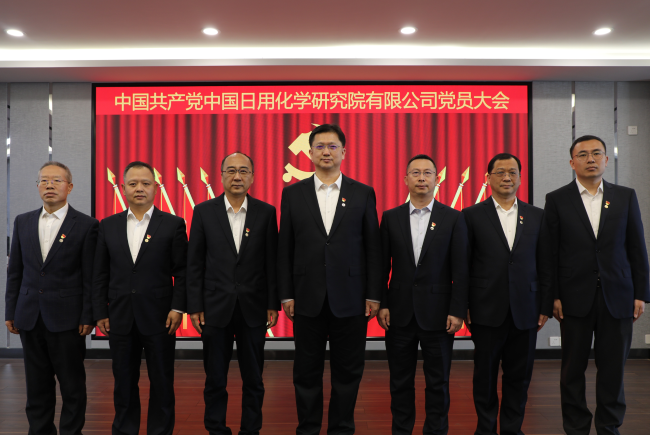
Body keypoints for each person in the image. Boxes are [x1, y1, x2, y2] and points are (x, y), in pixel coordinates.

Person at [277, 124, 382, 435]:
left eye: (332, 146)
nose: (326, 151)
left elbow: (373, 247)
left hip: (351, 297)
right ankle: (308, 428)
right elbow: (285, 247)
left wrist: (373, 294)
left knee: (348, 372)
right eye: (320, 146)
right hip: (306, 297)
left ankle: (342, 428)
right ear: (310, 153)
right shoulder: (292, 194)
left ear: (344, 152)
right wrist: (286, 294)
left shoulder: (362, 193)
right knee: (306, 372)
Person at [544, 135, 650, 435]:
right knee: (572, 370)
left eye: (596, 153)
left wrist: (641, 293)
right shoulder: (557, 199)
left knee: (613, 369)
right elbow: (550, 253)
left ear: (606, 159)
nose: (590, 159)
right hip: (573, 297)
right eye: (583, 154)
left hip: (619, 295)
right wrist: (553, 295)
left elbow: (637, 247)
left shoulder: (625, 196)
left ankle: (609, 426)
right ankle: (576, 427)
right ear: (572, 162)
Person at [92, 161, 188, 435]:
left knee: (162, 381)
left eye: (146, 183)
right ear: (123, 188)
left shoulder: (173, 224)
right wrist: (100, 311)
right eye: (133, 184)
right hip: (119, 316)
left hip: (160, 316)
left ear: (155, 188)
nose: (139, 188)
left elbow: (182, 272)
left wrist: (178, 307)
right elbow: (100, 273)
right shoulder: (107, 225)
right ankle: (124, 430)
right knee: (123, 382)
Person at [187, 151, 279, 435]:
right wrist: (195, 305)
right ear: (221, 175)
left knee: (254, 378)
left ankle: (251, 430)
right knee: (215, 378)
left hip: (254, 307)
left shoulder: (266, 212)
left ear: (252, 177)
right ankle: (216, 429)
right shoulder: (203, 211)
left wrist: (272, 303)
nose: (237, 176)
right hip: (214, 308)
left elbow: (271, 262)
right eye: (231, 171)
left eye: (243, 171)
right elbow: (195, 263)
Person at [5, 161, 98, 435]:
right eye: (44, 181)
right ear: (37, 186)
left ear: (69, 187)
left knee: (72, 385)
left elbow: (90, 276)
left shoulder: (87, 225)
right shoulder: (23, 221)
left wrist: (88, 315)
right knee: (37, 385)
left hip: (68, 318)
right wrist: (11, 310)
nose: (49, 185)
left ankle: (71, 431)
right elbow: (15, 271)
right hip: (29, 316)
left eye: (56, 180)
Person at [377, 154, 468, 435]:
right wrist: (382, 304)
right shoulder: (390, 218)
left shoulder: (453, 218)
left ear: (436, 180)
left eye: (427, 173)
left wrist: (457, 310)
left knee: (438, 382)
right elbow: (381, 266)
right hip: (399, 313)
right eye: (415, 173)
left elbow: (461, 269)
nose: (421, 178)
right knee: (400, 382)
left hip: (439, 315)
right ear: (405, 179)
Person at [462, 153, 552, 435]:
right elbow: (463, 265)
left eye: (512, 172)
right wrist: (464, 305)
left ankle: (513, 429)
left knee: (519, 377)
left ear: (520, 178)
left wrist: (545, 305)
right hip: (485, 308)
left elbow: (545, 263)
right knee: (485, 376)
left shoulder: (537, 215)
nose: (506, 177)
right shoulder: (471, 215)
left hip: (526, 309)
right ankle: (485, 429)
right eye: (500, 172)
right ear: (488, 178)